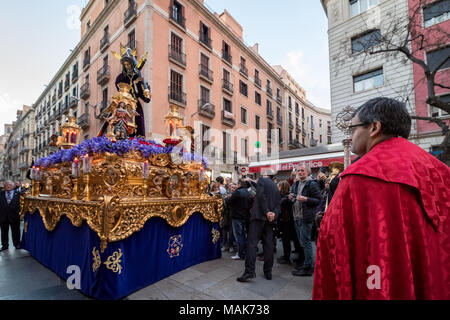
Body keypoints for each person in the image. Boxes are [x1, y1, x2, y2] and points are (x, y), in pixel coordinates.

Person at [313, 97, 450, 300]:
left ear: (374, 127)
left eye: (353, 129)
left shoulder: (359, 176)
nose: (350, 137)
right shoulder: (439, 169)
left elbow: (334, 245)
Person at [237, 175, 281, 282]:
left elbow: (261, 196)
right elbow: (278, 203)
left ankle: (249, 272)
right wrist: (273, 213)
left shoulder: (262, 180)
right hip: (270, 220)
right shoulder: (275, 186)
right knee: (268, 245)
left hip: (259, 217)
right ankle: (268, 272)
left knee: (252, 244)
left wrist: (266, 212)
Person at [290, 164, 322, 276]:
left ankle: (308, 267)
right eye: (298, 171)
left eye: (302, 170)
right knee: (302, 242)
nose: (300, 172)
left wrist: (306, 199)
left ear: (308, 172)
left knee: (306, 242)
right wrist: (291, 197)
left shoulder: (312, 184)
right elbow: (293, 197)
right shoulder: (296, 183)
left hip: (305, 217)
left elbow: (319, 200)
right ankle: (305, 263)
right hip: (296, 216)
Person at [226, 179, 253, 260]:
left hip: (237, 217)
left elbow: (228, 202)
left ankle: (241, 254)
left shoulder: (237, 192)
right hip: (244, 216)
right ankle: (243, 252)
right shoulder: (247, 192)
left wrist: (228, 198)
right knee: (242, 236)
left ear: (239, 184)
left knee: (238, 236)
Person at [277, 180, 301, 265]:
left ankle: (287, 258)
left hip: (286, 221)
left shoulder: (286, 197)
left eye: (279, 186)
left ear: (282, 187)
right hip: (287, 220)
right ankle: (288, 256)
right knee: (289, 239)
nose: (277, 187)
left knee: (286, 240)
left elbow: (280, 204)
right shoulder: (285, 196)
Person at [0, 181, 22, 251]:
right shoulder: (1, 194)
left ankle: (17, 244)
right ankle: (4, 245)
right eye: (6, 185)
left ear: (13, 186)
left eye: (10, 185)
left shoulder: (18, 194)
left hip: (14, 216)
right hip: (3, 216)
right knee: (4, 232)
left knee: (16, 231)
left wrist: (19, 212)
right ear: (4, 186)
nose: (8, 186)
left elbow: (21, 204)